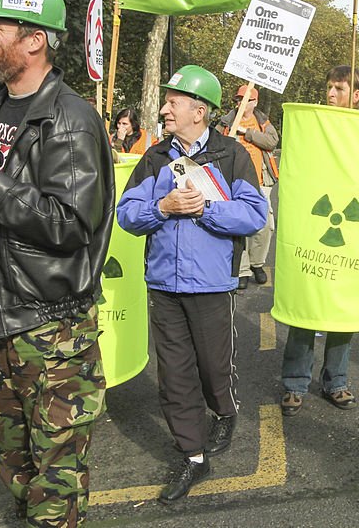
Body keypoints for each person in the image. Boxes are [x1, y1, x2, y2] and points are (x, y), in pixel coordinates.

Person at [0, 0, 114, 526]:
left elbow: (69, 226)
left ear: (33, 40)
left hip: (51, 332)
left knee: (55, 484)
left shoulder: (70, 121)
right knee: (11, 462)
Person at [116, 66, 267, 503]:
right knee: (175, 377)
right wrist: (162, 206)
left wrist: (205, 210)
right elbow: (127, 214)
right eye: (166, 101)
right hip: (163, 285)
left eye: (173, 102)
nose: (164, 109)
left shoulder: (230, 155)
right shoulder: (155, 157)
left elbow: (254, 215)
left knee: (213, 369)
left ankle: (223, 410)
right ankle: (194, 456)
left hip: (212, 285)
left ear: (199, 111)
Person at [280, 65, 359, 416]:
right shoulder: (313, 125)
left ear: (356, 95)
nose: (330, 94)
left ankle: (337, 381)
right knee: (306, 306)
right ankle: (294, 383)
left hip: (349, 228)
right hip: (315, 225)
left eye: (339, 89)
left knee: (341, 311)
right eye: (329, 87)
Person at [218, 84, 280, 289]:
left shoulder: (262, 122)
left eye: (245, 99)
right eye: (238, 99)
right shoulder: (226, 122)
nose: (240, 103)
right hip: (233, 182)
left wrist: (248, 132)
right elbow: (215, 144)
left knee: (266, 225)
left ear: (255, 102)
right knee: (239, 226)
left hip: (260, 182)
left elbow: (272, 141)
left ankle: (257, 263)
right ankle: (243, 269)